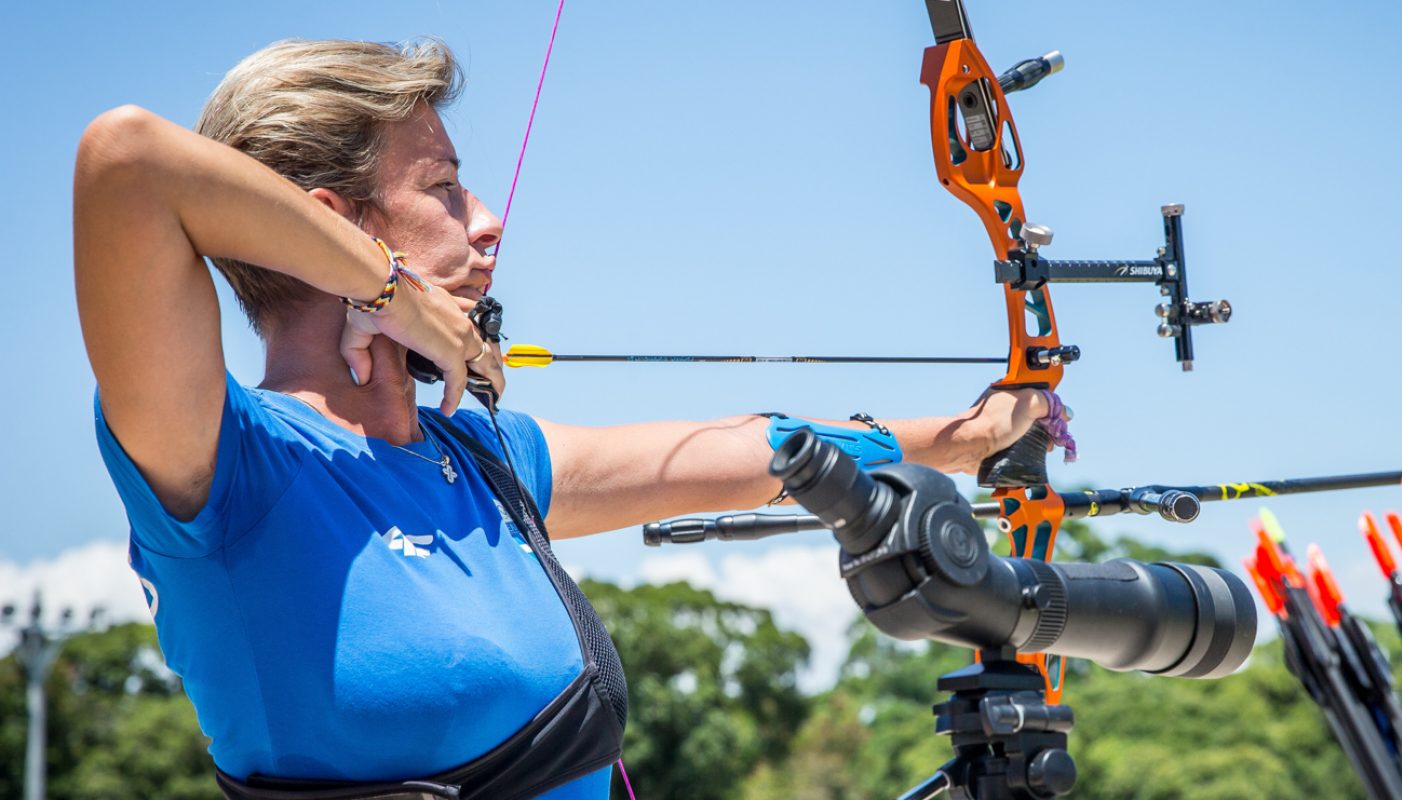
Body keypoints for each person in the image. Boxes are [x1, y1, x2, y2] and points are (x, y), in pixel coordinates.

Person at [73, 38, 1053, 799]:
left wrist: (967, 437)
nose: (489, 218)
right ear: (342, 222)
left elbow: (750, 447)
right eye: (445, 188)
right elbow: (126, 163)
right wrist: (398, 295)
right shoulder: (227, 462)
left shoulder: (484, 459)